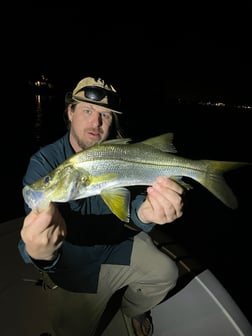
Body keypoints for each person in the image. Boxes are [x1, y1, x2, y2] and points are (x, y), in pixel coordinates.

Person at [18, 76, 185, 336]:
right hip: (75, 270)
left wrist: (145, 213)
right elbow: (34, 235)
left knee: (166, 273)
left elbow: (134, 207)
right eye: (87, 110)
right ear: (70, 112)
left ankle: (133, 310)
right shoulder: (43, 163)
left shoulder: (119, 153)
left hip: (116, 247)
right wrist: (41, 253)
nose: (96, 122)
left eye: (105, 115)